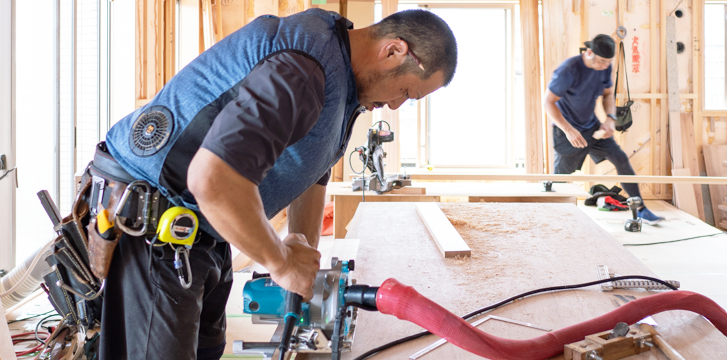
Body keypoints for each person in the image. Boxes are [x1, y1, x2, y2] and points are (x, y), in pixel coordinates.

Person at [89, 8, 457, 359]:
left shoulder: (344, 84)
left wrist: (300, 243)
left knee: (206, 351)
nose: (395, 106)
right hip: (153, 224)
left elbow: (314, 169)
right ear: (394, 50)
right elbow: (213, 179)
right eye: (408, 94)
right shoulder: (303, 69)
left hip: (205, 231)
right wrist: (281, 264)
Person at [544, 34, 664, 225]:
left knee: (621, 159)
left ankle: (640, 209)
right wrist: (568, 129)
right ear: (589, 52)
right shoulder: (569, 69)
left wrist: (610, 118)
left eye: (608, 62)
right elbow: (548, 102)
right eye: (601, 61)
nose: (604, 66)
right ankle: (551, 218)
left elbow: (608, 94)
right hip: (567, 130)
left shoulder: (604, 67)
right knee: (560, 176)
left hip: (592, 127)